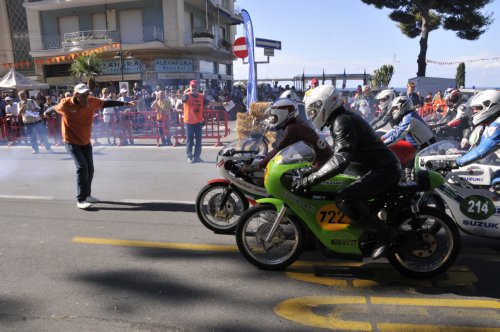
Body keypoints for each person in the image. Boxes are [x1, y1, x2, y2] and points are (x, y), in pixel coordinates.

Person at [292, 85, 401, 259]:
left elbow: (341, 160)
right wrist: (310, 171)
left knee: (345, 197)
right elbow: (337, 156)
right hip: (379, 168)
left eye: (314, 109)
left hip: (383, 171)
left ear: (325, 105)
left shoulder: (342, 122)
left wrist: (309, 180)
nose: (312, 114)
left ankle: (384, 235)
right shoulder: (341, 119)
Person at [55, 83, 136, 209]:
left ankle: (87, 195)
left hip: (85, 140)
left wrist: (125, 104)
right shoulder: (66, 104)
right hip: (71, 140)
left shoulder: (92, 101)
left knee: (90, 169)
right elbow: (55, 108)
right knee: (82, 167)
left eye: (88, 94)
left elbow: (107, 103)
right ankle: (81, 199)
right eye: (84, 95)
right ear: (76, 95)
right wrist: (45, 113)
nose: (87, 97)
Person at [240, 98, 333, 173]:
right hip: (323, 160)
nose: (273, 118)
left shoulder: (292, 129)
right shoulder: (296, 123)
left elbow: (277, 150)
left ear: (282, 114)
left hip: (321, 165)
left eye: (275, 116)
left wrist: (257, 166)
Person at [382, 96, 436, 182]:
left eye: (396, 108)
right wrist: (383, 137)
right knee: (408, 168)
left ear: (403, 106)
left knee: (413, 172)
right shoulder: (408, 116)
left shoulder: (409, 118)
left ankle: (415, 191)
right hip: (423, 147)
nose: (394, 111)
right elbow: (396, 129)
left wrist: (381, 145)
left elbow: (397, 136)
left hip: (427, 148)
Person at [455, 90, 499, 191]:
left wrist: (456, 163)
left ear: (491, 106)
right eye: (473, 109)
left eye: (478, 108)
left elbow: (482, 151)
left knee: (496, 183)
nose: (474, 112)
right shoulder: (488, 123)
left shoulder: (497, 124)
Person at [183, 80, 209, 163]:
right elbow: (182, 98)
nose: (194, 88)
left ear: (197, 88)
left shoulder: (201, 96)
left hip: (198, 122)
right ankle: (189, 156)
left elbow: (210, 102)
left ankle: (197, 157)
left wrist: (221, 104)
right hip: (189, 122)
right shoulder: (187, 96)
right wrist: (175, 95)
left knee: (199, 140)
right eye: (192, 86)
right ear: (189, 87)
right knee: (189, 140)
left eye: (195, 87)